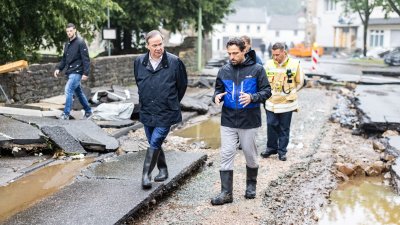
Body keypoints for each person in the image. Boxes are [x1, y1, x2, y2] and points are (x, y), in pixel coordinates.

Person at [211, 37, 271, 205]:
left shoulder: (258, 69)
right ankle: (226, 193)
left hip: (249, 120)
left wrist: (252, 97)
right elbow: (217, 89)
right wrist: (216, 97)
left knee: (250, 155)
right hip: (228, 119)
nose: (232, 57)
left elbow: (267, 91)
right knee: (226, 154)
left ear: (244, 50)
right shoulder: (224, 70)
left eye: (235, 53)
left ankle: (251, 186)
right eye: (229, 53)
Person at [134, 30, 188, 189]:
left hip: (166, 111)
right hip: (147, 109)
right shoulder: (139, 62)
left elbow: (182, 86)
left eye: (160, 44)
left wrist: (171, 101)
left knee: (156, 141)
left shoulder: (174, 62)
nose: (158, 48)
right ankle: (163, 169)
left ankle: (146, 174)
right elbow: (139, 82)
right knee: (153, 142)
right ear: (147, 46)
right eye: (154, 45)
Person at [260, 42, 304, 161]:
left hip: (287, 103)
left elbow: (300, 82)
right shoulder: (268, 64)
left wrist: (294, 91)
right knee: (271, 124)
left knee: (284, 127)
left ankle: (282, 151)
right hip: (271, 102)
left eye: (278, 55)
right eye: (273, 54)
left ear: (284, 52)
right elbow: (262, 81)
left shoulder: (295, 64)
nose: (275, 57)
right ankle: (271, 148)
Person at [54, 23, 92, 120]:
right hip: (70, 71)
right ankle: (88, 111)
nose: (69, 33)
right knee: (78, 92)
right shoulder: (67, 44)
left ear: (75, 30)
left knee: (68, 89)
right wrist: (58, 68)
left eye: (71, 31)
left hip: (77, 71)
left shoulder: (80, 42)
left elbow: (86, 59)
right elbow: (64, 59)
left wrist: (86, 73)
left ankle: (66, 114)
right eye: (67, 31)